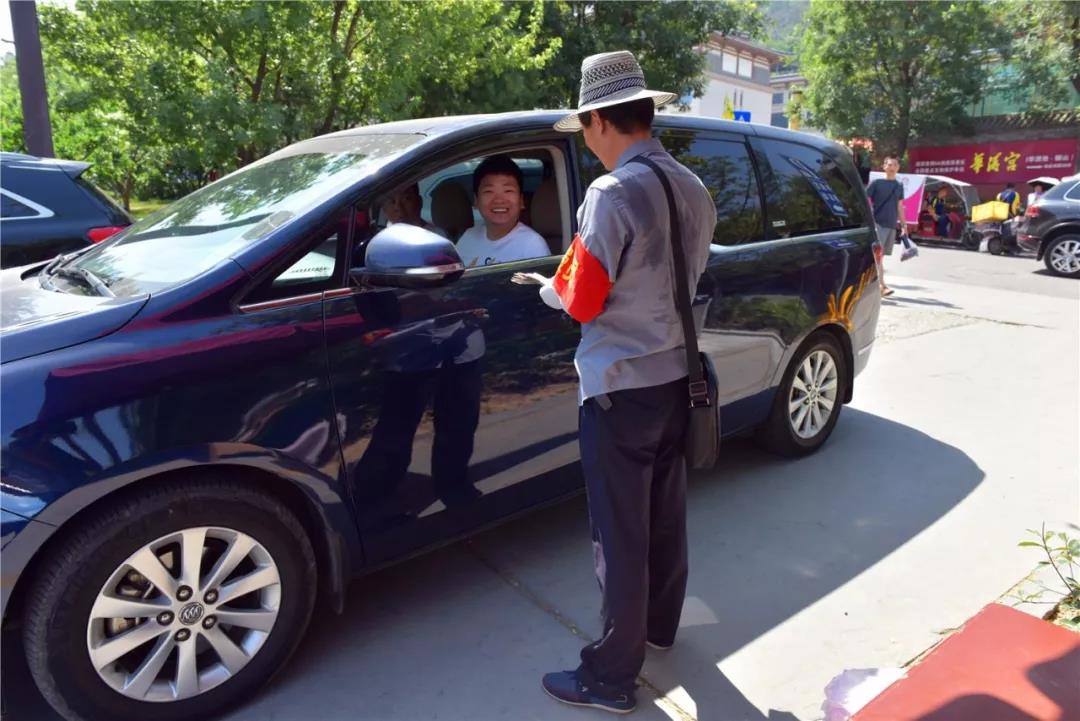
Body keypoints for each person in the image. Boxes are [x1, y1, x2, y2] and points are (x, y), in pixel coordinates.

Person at [514, 50, 717, 714]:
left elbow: (582, 299)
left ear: (600, 120)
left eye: (585, 127)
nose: (587, 140)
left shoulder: (611, 193)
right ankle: (660, 628)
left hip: (619, 388)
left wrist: (546, 288)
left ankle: (609, 676)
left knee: (619, 536)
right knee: (665, 516)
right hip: (679, 379)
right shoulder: (693, 186)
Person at [454, 155, 549, 267]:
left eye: (508, 191)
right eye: (489, 191)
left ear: (521, 201)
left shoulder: (532, 245)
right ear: (476, 201)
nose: (499, 200)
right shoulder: (468, 238)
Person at [865, 156, 907, 297]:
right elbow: (865, 199)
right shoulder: (876, 183)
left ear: (898, 168)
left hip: (891, 225)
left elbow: (900, 206)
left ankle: (872, 284)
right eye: (889, 164)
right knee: (878, 256)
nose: (892, 167)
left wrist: (903, 225)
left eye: (895, 165)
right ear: (884, 167)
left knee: (880, 256)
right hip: (878, 223)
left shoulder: (899, 186)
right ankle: (881, 285)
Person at [381, 183, 448, 237]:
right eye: (392, 201)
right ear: (384, 209)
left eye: (406, 199)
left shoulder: (437, 237)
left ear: (419, 202)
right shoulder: (381, 240)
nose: (398, 207)